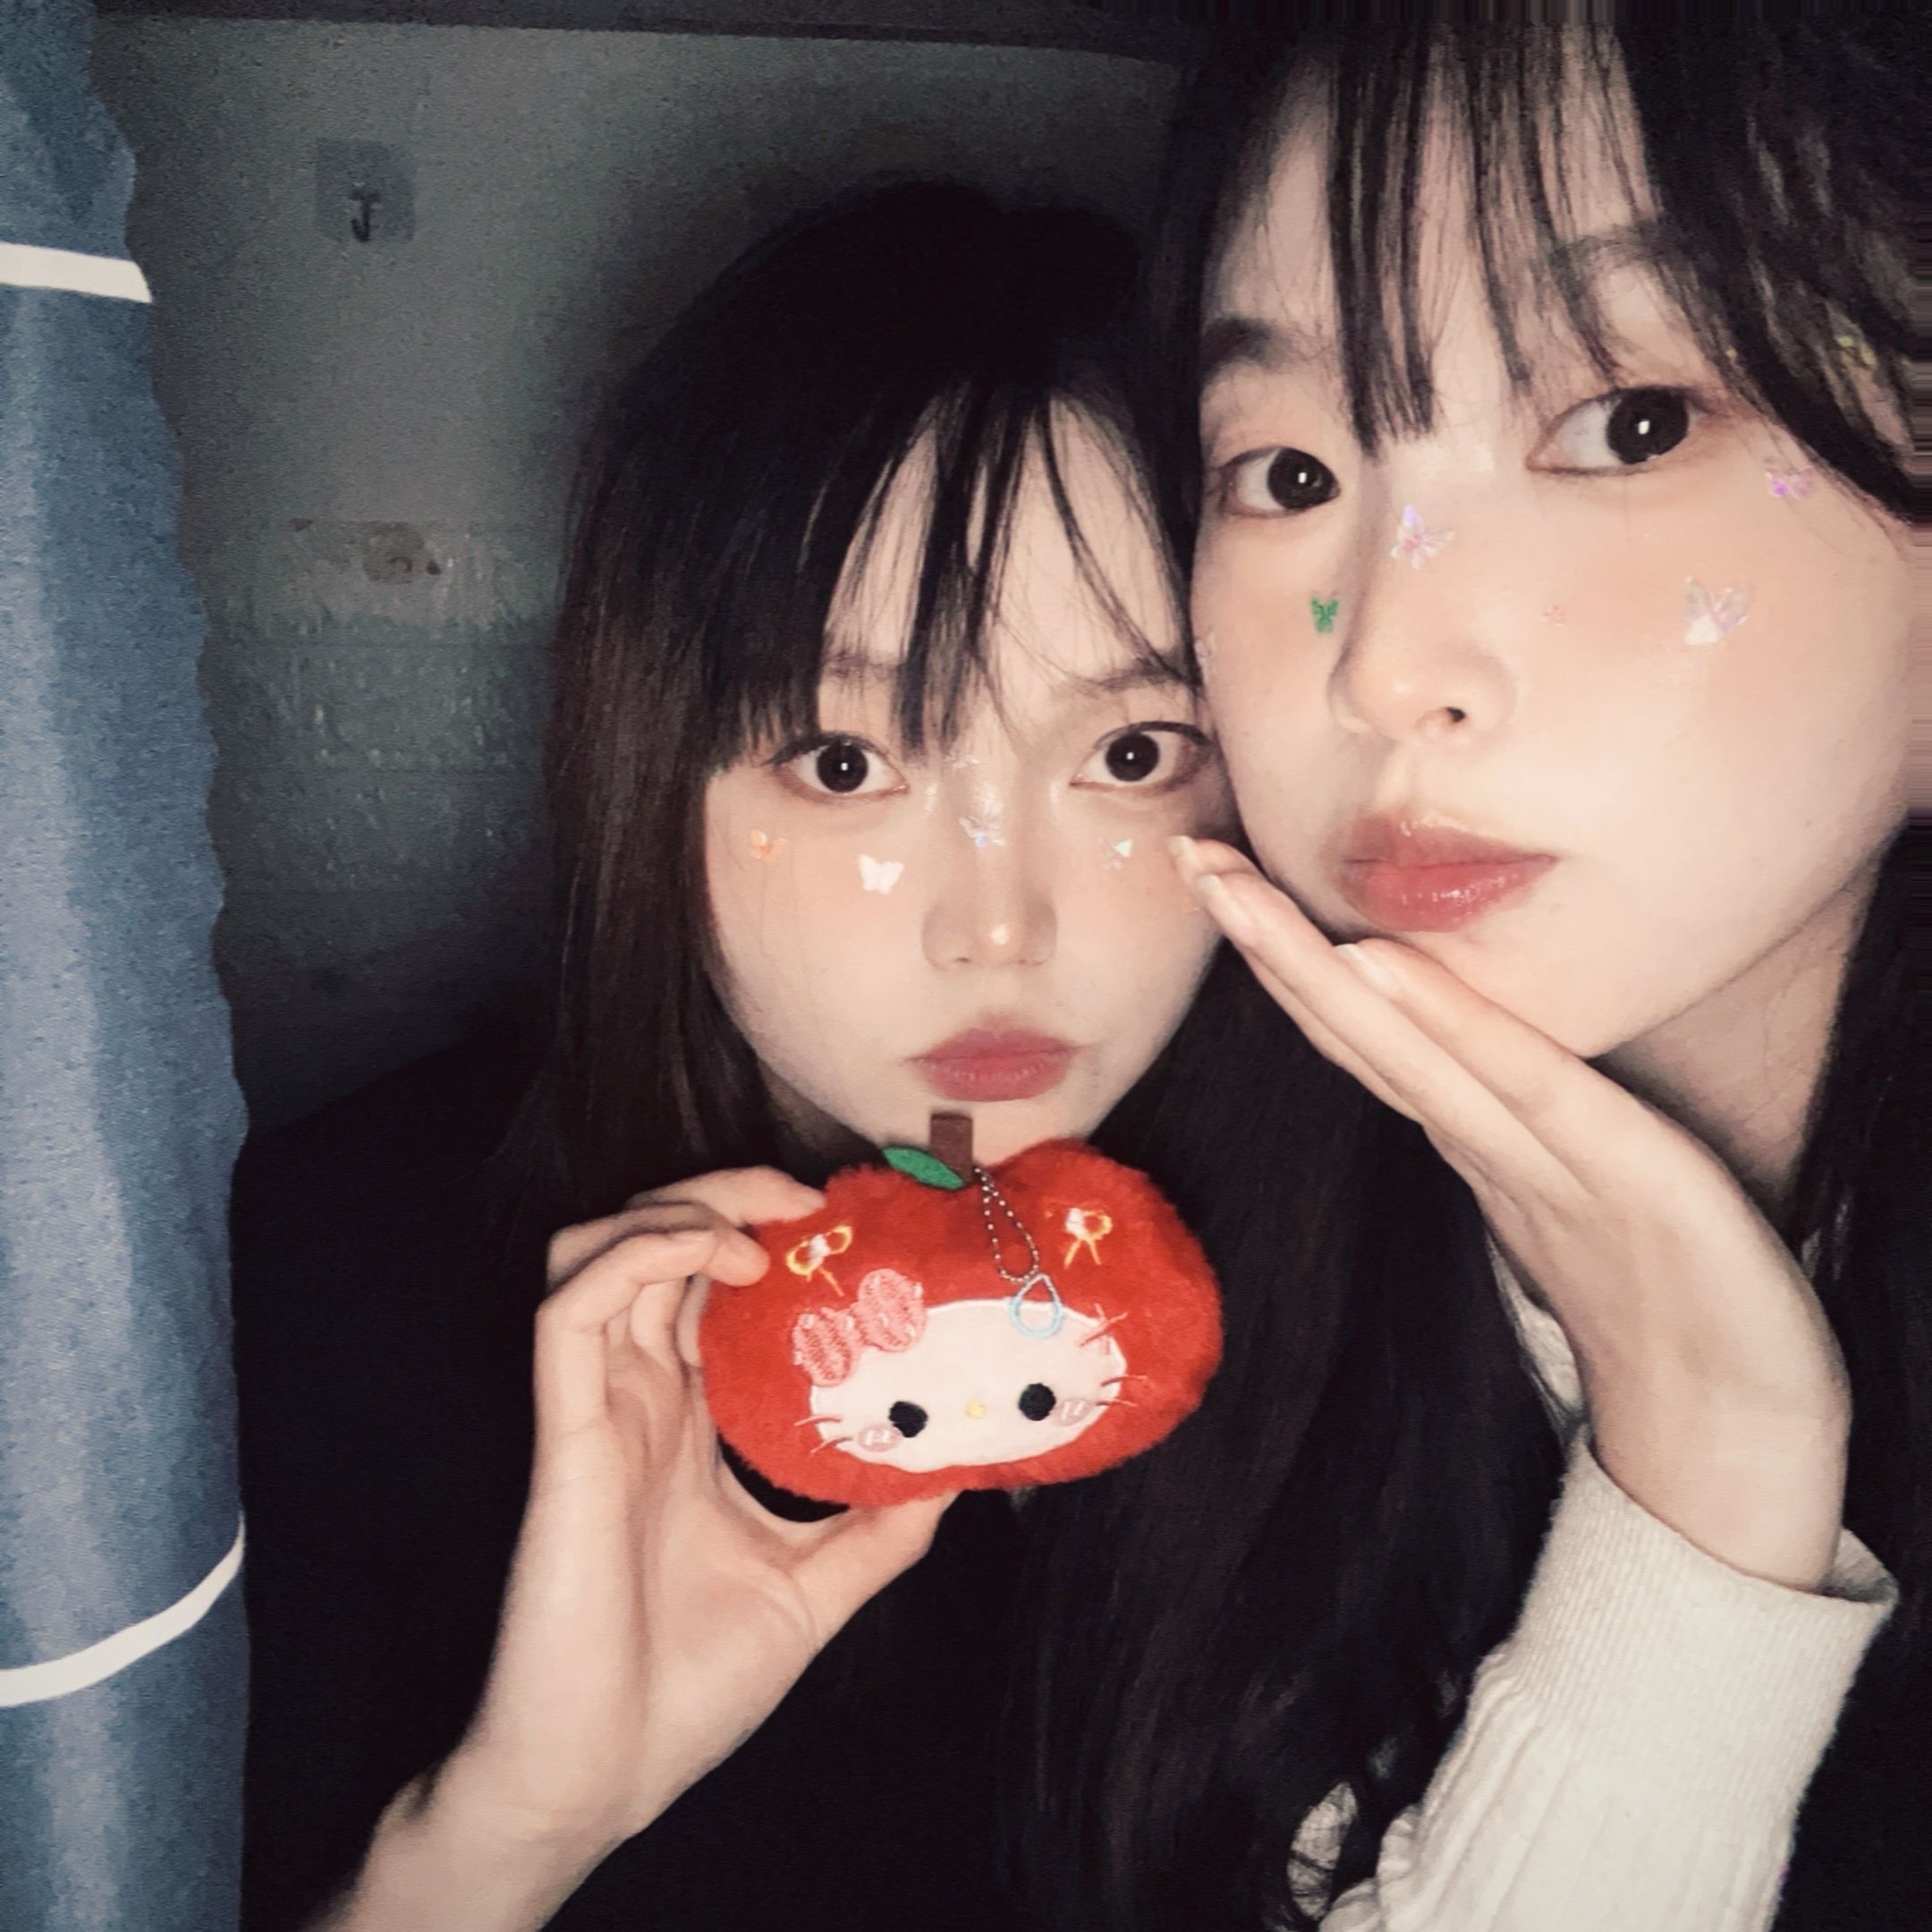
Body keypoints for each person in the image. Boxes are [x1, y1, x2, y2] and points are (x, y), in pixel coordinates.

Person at [233, 182, 1241, 1931]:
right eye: (846, 764)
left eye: (1137, 752)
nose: (997, 927)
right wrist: (509, 1833)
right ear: (657, 772)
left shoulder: (1390, 1284)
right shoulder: (332, 1289)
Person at [1013, 21, 1921, 1932]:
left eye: (1633, 423)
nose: (1381, 659)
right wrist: (1702, 1468)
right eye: (1284, 469)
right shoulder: (1119, 1291)